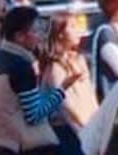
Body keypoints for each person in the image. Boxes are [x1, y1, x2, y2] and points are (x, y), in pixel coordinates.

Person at [0, 4, 77, 155]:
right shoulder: (21, 66)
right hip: (19, 145)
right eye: (35, 31)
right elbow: (34, 115)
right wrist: (62, 89)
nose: (39, 36)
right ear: (19, 37)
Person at [41, 8, 96, 155]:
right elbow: (65, 106)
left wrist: (97, 121)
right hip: (67, 132)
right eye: (72, 27)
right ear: (60, 34)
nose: (78, 30)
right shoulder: (55, 66)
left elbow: (90, 95)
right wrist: (83, 131)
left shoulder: (79, 59)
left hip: (88, 126)